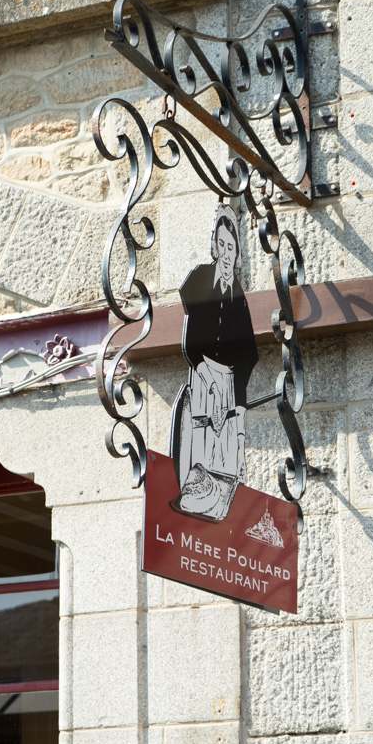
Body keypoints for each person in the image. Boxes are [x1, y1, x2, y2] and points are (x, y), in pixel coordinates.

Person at [170, 204, 258, 520]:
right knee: (200, 439)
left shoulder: (239, 298)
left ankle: (218, 508)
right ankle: (196, 501)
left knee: (226, 451)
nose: (224, 254)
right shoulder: (200, 278)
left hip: (229, 383)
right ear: (214, 246)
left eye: (230, 247)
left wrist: (239, 418)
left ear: (237, 254)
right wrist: (208, 375)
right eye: (220, 245)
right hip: (202, 375)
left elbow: (247, 358)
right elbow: (192, 339)